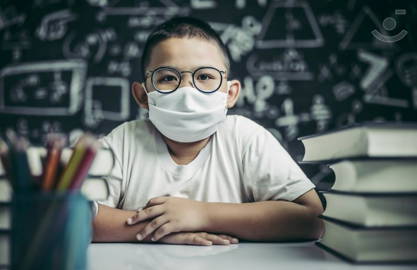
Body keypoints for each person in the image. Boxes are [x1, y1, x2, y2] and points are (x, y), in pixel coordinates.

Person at [92, 16, 324, 246]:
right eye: (168, 78)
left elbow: (312, 218)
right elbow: (74, 216)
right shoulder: (123, 142)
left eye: (204, 76)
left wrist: (201, 214)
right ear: (143, 95)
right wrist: (161, 230)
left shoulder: (246, 138)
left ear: (230, 93)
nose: (187, 91)